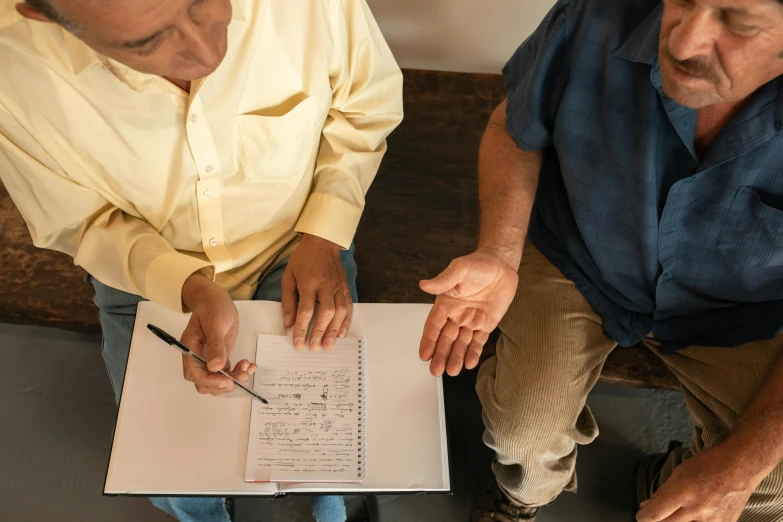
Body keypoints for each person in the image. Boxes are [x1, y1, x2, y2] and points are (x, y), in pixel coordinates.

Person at [0, 0, 402, 520]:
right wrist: (187, 286)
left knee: (331, 442)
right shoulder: (14, 72)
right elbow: (83, 220)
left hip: (300, 242)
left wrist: (324, 238)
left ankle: (337, 504)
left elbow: (363, 105)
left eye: (205, 3)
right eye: (146, 43)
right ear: (42, 13)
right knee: (174, 471)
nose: (209, 52)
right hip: (143, 273)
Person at [419, 0, 783, 520]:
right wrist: (499, 252)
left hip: (740, 304)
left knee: (771, 483)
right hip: (580, 253)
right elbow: (513, 126)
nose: (681, 43)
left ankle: (670, 481)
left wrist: (736, 470)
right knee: (523, 433)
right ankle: (522, 496)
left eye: (738, 22)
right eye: (681, 1)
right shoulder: (599, 12)